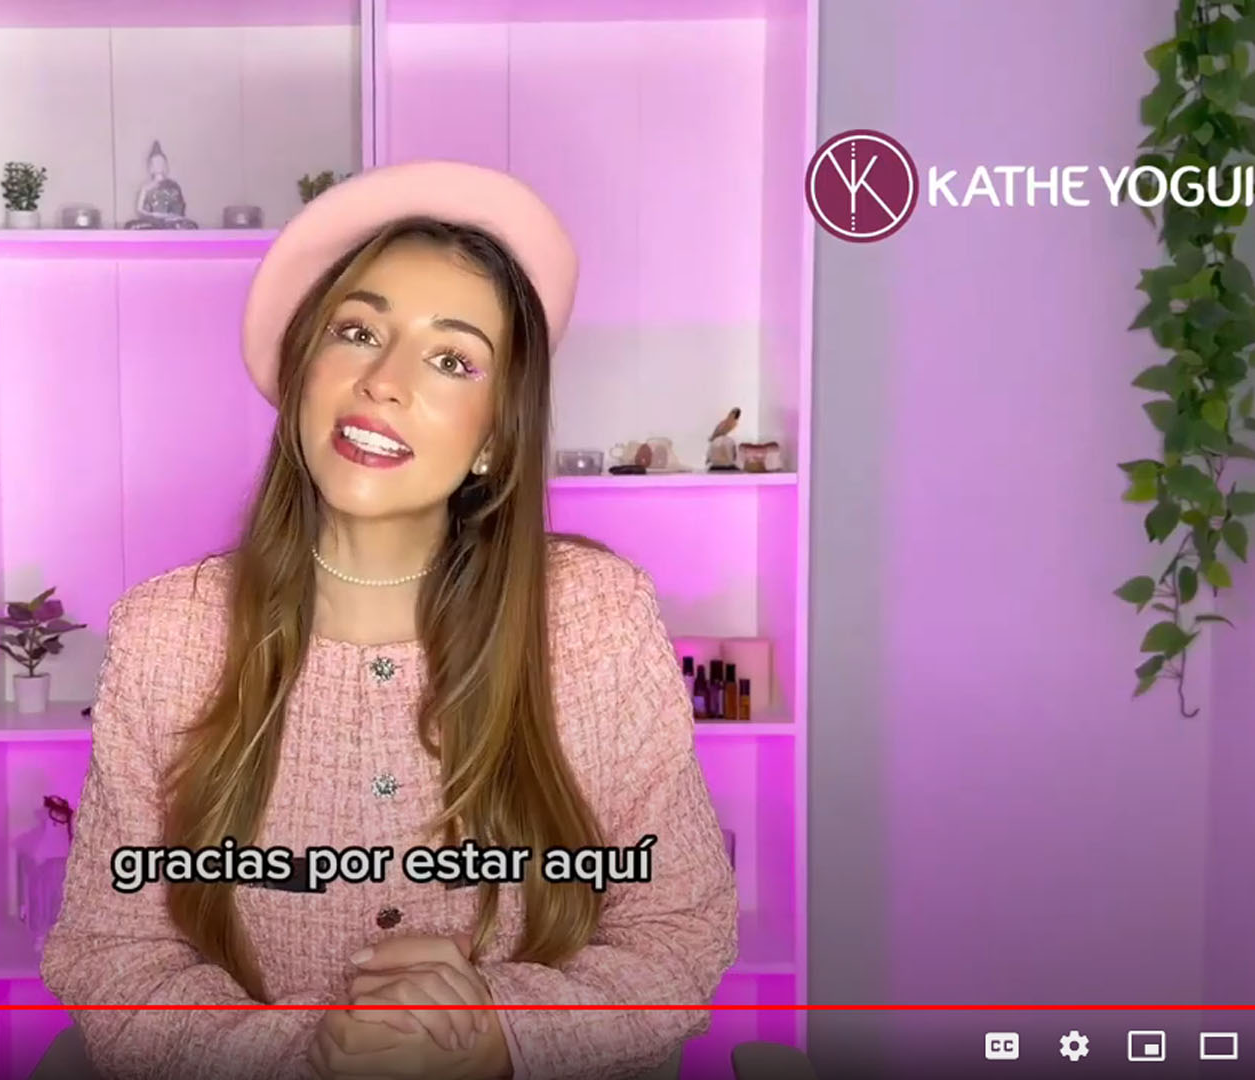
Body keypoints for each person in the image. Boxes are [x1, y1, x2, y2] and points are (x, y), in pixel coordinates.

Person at [41, 161, 739, 1080]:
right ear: (303, 373)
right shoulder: (167, 635)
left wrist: (498, 1034)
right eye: (358, 332)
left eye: (451, 360)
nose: (383, 381)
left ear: (495, 435)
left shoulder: (594, 619)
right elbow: (111, 954)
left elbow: (680, 930)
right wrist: (302, 1054)